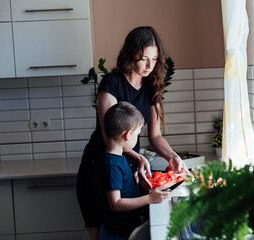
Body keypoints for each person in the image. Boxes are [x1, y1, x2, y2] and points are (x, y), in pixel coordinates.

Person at [76, 26, 189, 240]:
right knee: (100, 233)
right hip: (98, 167)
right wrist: (137, 157)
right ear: (130, 54)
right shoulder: (111, 84)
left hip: (127, 169)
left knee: (124, 231)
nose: (149, 65)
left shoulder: (151, 86)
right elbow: (111, 135)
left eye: (154, 59)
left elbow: (155, 136)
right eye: (143, 58)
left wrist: (173, 157)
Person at [99, 102, 168, 240]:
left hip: (126, 227)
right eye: (137, 134)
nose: (137, 138)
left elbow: (120, 186)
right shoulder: (112, 165)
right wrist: (149, 198)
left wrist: (134, 179)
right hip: (117, 233)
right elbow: (116, 204)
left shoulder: (119, 157)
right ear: (127, 135)